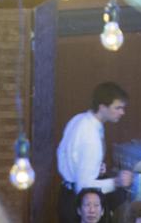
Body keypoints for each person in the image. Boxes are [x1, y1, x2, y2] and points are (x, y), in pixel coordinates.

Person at [56, 81, 133, 223]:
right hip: (78, 206)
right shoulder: (90, 136)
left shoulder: (78, 119)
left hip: (66, 195)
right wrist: (117, 182)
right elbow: (84, 187)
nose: (122, 112)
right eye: (118, 108)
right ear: (102, 107)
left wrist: (95, 168)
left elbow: (63, 154)